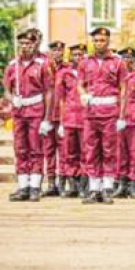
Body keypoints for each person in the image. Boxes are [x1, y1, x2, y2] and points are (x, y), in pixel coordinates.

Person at [77, 27, 127, 204]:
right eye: (96, 40)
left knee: (109, 150)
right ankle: (93, 189)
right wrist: (83, 94)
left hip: (110, 112)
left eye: (102, 40)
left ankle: (107, 188)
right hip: (91, 113)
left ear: (108, 42)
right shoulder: (85, 62)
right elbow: (80, 84)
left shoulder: (118, 62)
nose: (99, 43)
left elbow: (124, 89)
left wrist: (122, 116)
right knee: (91, 151)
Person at [5, 29, 54, 202]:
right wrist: (12, 99)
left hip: (36, 110)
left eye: (28, 43)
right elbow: (7, 91)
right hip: (19, 111)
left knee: (36, 149)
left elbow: (49, 91)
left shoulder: (42, 65)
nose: (25, 46)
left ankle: (35, 187)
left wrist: (47, 118)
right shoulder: (13, 66)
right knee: (20, 149)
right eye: (22, 43)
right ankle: (23, 186)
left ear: (34, 44)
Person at [114, 47, 135, 199]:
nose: (127, 61)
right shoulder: (114, 76)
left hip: (134, 118)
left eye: (130, 58)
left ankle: (134, 184)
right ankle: (121, 183)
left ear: (134, 60)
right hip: (117, 118)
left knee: (134, 152)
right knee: (120, 152)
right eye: (124, 58)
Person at [55, 43, 86, 198]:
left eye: (81, 54)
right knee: (69, 153)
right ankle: (72, 184)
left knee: (85, 153)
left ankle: (83, 185)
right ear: (70, 56)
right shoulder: (65, 74)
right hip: (69, 118)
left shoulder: (89, 72)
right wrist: (61, 121)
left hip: (86, 118)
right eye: (75, 54)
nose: (78, 57)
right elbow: (60, 99)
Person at [42, 40, 65, 196]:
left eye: (59, 50)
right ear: (49, 52)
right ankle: (51, 183)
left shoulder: (68, 69)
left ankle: (63, 183)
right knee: (49, 150)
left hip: (63, 116)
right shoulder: (43, 69)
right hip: (46, 115)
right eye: (54, 50)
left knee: (64, 150)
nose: (57, 53)